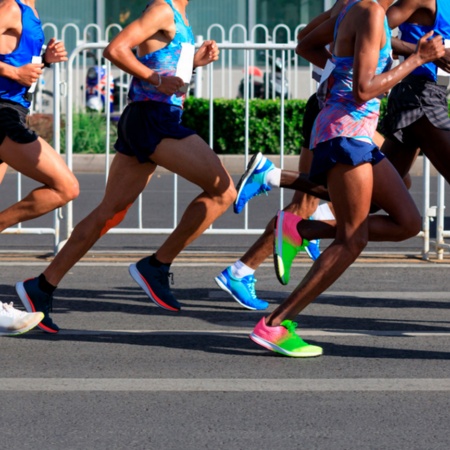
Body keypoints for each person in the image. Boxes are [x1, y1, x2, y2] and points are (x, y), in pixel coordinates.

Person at [233, 0, 444, 357]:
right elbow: (363, 90)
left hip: (351, 131)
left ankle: (299, 229)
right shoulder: (371, 13)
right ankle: (274, 324)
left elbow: (305, 45)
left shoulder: (351, 8)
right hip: (345, 132)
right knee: (352, 239)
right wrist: (417, 60)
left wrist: (339, 78)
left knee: (407, 222)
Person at [15, 0, 236, 333]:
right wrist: (153, 78)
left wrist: (195, 63)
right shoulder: (163, 9)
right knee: (224, 190)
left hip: (150, 117)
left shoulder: (180, 15)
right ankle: (156, 266)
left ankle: (41, 287)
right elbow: (116, 49)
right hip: (153, 119)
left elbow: (164, 68)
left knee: (110, 212)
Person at [0, 0, 79, 333]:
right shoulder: (10, 8)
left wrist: (42, 61)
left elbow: (16, 60)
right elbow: (12, 69)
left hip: (12, 109)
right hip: (3, 114)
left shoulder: (28, 9)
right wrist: (13, 72)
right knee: (66, 186)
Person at [379, 0, 450, 190]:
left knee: (374, 198)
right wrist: (425, 53)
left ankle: (290, 181)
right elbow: (372, 30)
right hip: (420, 97)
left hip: (435, 95)